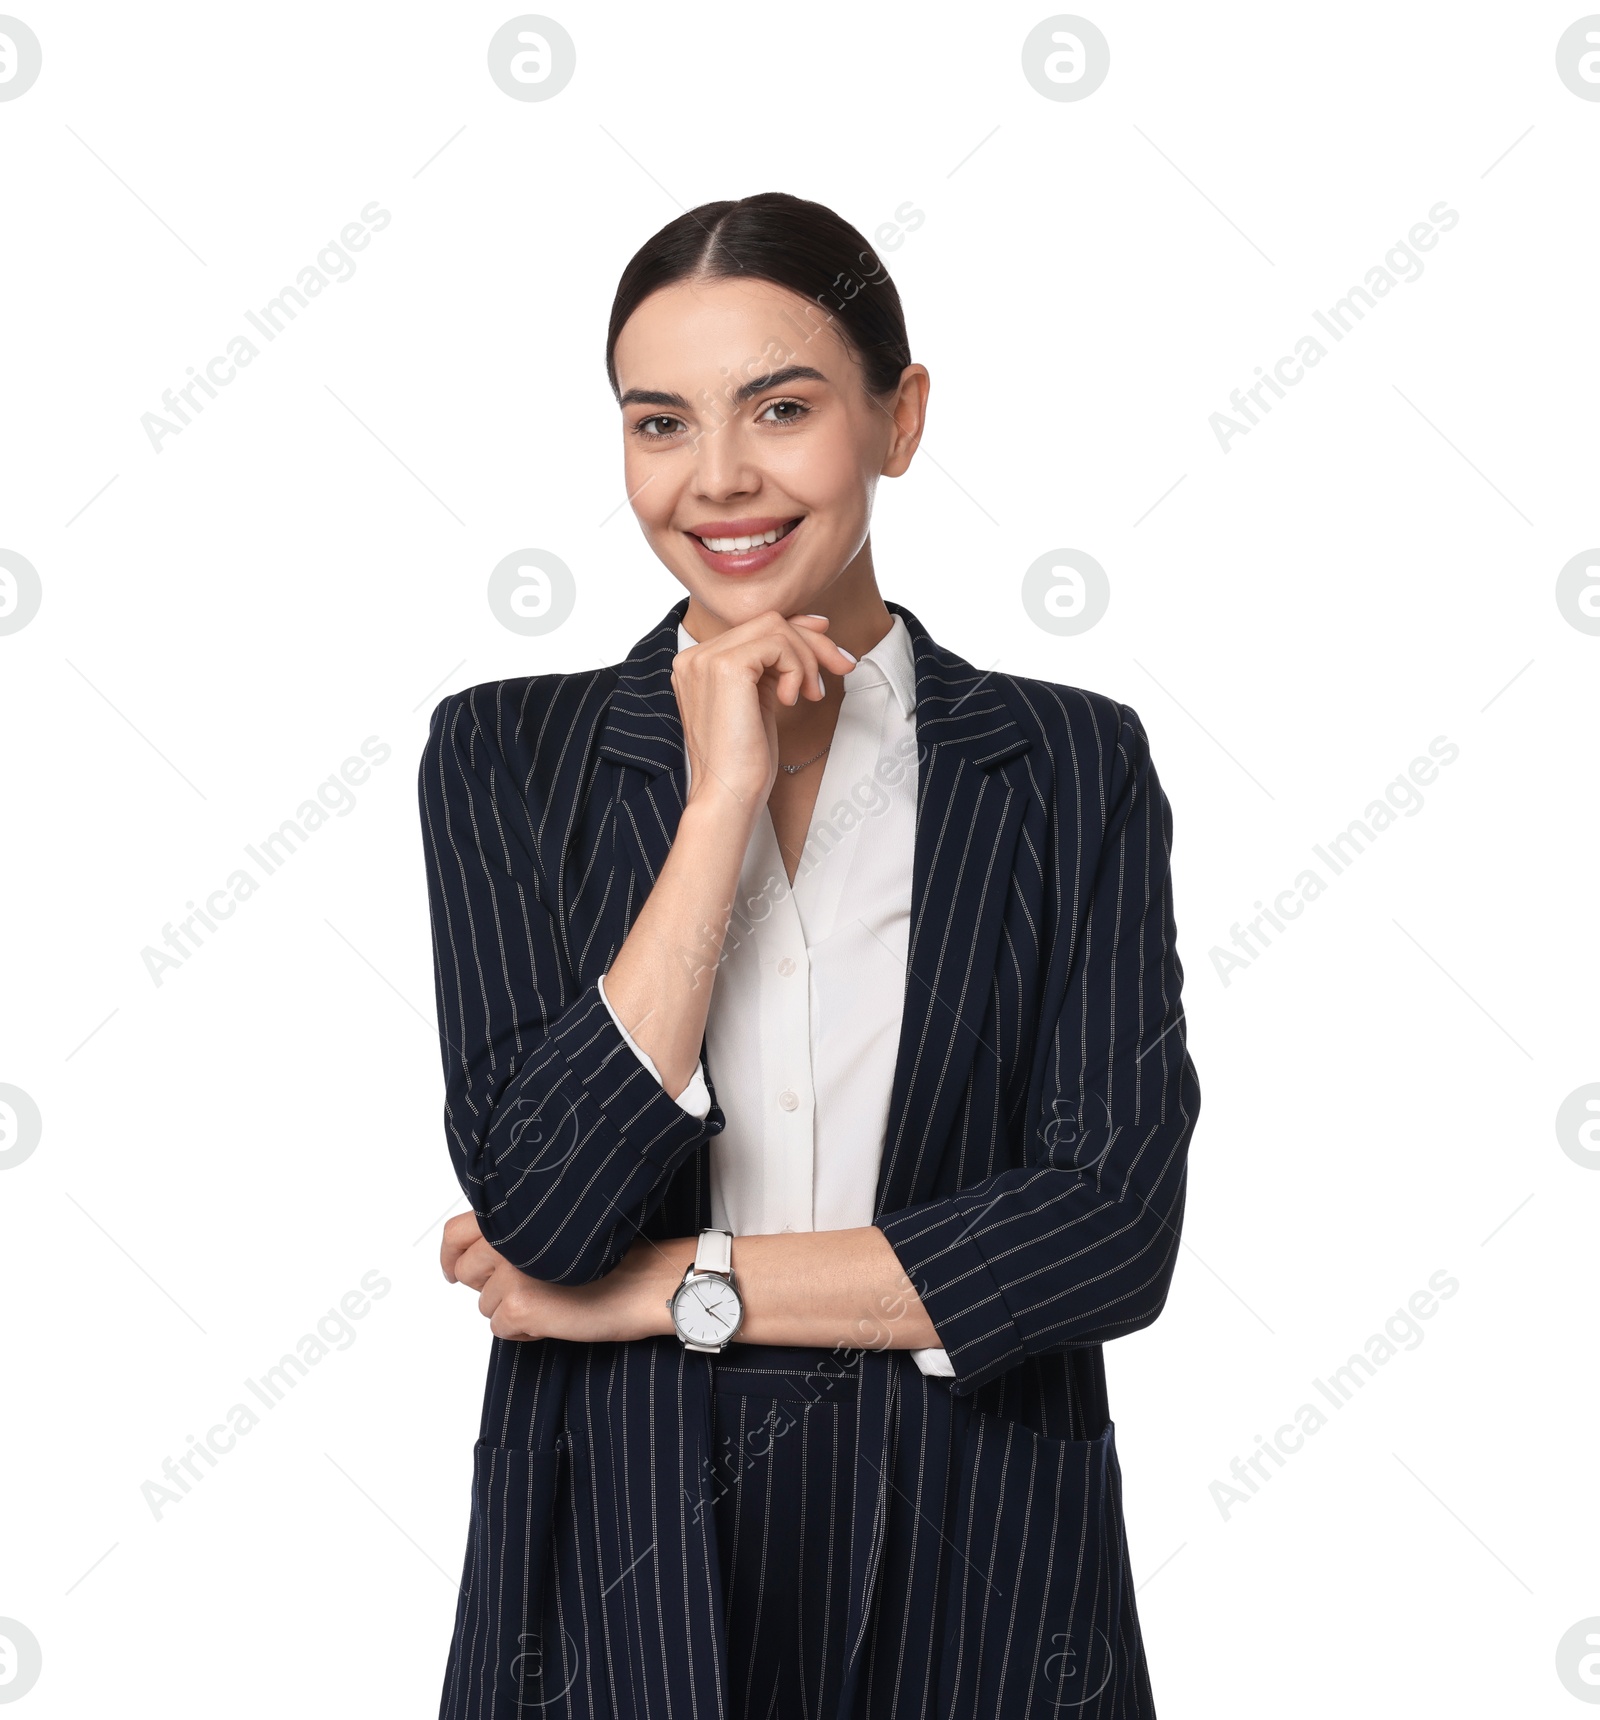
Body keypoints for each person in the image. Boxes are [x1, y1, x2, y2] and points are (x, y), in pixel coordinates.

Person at [420, 190, 1200, 1720]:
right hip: (610, 1543)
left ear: (898, 419)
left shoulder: (1065, 763)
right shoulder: (509, 752)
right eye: (660, 423)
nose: (717, 480)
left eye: (781, 408)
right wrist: (717, 800)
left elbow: (1109, 1232)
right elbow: (548, 1209)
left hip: (983, 1544)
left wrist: (674, 1288)